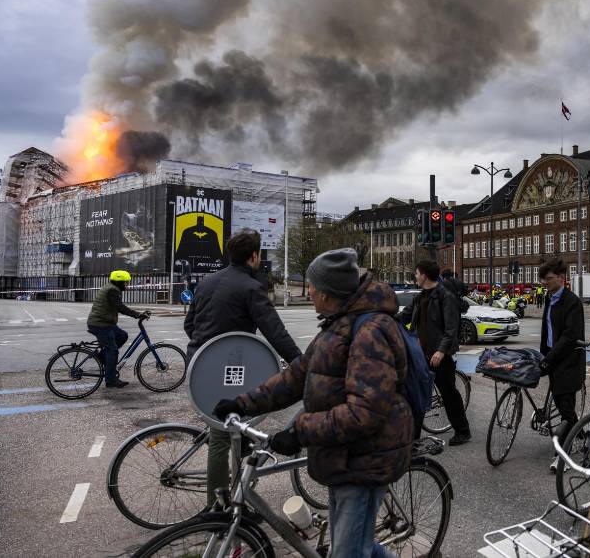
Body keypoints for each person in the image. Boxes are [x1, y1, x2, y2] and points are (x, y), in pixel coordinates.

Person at [213, 248, 410, 558]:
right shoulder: (339, 323)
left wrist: (301, 432)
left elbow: (365, 411)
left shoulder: (369, 331)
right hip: (343, 457)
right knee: (356, 546)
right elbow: (297, 375)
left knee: (348, 552)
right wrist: (244, 402)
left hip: (366, 459)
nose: (311, 291)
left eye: (313, 285)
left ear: (328, 293)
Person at [184, 230, 303, 507]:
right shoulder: (250, 287)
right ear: (254, 256)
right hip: (231, 371)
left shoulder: (206, 282)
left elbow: (189, 326)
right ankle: (221, 507)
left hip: (200, 368)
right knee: (223, 434)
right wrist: (301, 363)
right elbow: (275, 332)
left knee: (228, 431)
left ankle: (232, 497)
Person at [399, 260, 471, 445]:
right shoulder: (420, 297)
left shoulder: (445, 296)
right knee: (417, 393)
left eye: (416, 273)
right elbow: (403, 317)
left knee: (448, 394)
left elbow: (451, 329)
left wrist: (441, 351)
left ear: (423, 274)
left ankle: (463, 431)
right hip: (421, 354)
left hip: (440, 355)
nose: (415, 277)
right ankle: (413, 437)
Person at [539, 258, 586, 472]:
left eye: (549, 279)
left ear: (561, 278)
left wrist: (550, 358)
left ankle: (564, 456)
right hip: (553, 358)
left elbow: (569, 336)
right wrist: (543, 355)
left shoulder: (571, 302)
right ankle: (579, 435)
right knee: (561, 404)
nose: (545, 283)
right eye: (544, 279)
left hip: (568, 361)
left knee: (566, 407)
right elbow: (547, 330)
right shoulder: (550, 298)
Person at [86, 270, 149, 388]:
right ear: (119, 282)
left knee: (122, 336)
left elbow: (118, 307)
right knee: (113, 350)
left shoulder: (111, 288)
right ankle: (111, 380)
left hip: (105, 323)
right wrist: (137, 314)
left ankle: (102, 357)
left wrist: (137, 314)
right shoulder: (112, 290)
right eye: (126, 282)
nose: (127, 285)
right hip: (100, 324)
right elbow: (120, 307)